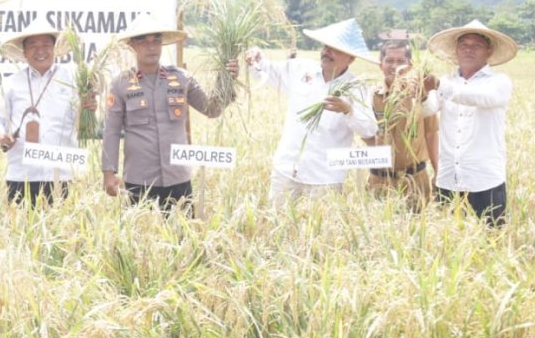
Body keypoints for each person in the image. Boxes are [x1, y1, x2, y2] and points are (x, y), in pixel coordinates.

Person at [102, 15, 238, 210]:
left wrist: (227, 80)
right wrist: (108, 173)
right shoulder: (120, 84)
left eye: (156, 41)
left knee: (183, 229)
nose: (151, 47)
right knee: (140, 230)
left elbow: (212, 109)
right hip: (139, 180)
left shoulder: (181, 78)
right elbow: (111, 131)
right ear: (132, 45)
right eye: (143, 41)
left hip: (178, 179)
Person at [245, 18, 378, 203]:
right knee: (277, 220)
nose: (327, 52)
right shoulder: (300, 69)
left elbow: (369, 129)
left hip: (324, 180)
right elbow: (265, 71)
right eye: (325, 47)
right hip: (286, 170)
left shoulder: (355, 88)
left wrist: (348, 110)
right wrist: (255, 57)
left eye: (335, 49)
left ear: (351, 58)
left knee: (320, 223)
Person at [0, 19, 97, 206]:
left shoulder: (73, 80)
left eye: (46, 45)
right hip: (22, 174)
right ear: (24, 51)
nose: (40, 51)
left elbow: (84, 127)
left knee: (64, 223)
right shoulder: (11, 83)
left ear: (54, 48)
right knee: (19, 222)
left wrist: (90, 109)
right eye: (33, 46)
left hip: (62, 174)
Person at [427, 20, 517, 226]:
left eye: (476, 45)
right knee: (447, 238)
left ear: (488, 51)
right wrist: (422, 93)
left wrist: (439, 86)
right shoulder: (447, 80)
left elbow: (482, 98)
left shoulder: (498, 82)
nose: (469, 50)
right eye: (464, 45)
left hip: (484, 181)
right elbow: (428, 109)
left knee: (490, 238)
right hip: (448, 178)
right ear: (456, 50)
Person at [366, 40, 440, 211]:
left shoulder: (421, 95)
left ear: (410, 65)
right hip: (379, 179)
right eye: (389, 60)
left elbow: (431, 134)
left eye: (400, 61)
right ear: (380, 64)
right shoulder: (372, 96)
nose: (395, 66)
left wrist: (438, 172)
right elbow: (365, 134)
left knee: (416, 225)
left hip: (415, 179)